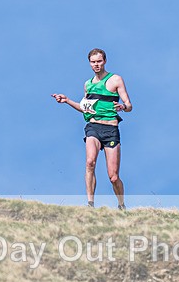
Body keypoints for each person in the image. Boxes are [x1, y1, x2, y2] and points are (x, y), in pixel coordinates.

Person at [52, 48, 133, 209]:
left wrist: (123, 107)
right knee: (90, 162)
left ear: (105, 61)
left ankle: (121, 205)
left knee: (113, 176)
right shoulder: (88, 84)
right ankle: (90, 204)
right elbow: (85, 109)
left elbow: (130, 106)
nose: (96, 64)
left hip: (110, 129)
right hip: (93, 126)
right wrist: (67, 100)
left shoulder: (115, 79)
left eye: (99, 61)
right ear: (89, 63)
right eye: (93, 62)